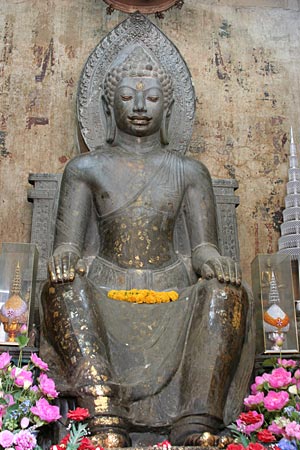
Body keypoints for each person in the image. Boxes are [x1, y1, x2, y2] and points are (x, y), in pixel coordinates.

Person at [41, 46, 252, 447]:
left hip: (173, 292)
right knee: (60, 290)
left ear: (168, 107)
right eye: (126, 97)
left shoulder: (189, 172)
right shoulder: (85, 168)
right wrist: (65, 256)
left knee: (228, 294)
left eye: (152, 98)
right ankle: (103, 419)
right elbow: (67, 244)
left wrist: (213, 262)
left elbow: (204, 245)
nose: (139, 106)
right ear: (108, 104)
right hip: (103, 289)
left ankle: (195, 422)